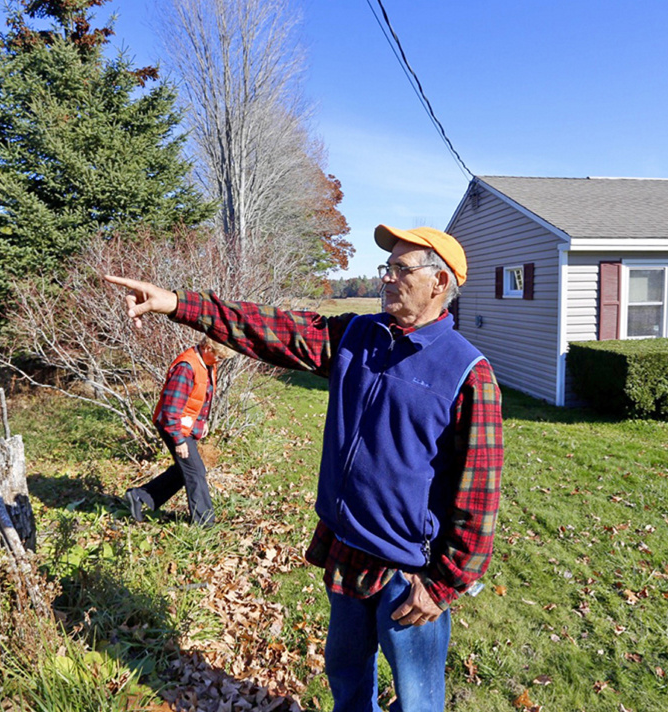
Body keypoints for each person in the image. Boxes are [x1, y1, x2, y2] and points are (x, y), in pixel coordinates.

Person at [105, 224, 502, 712]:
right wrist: (177, 304)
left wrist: (441, 586)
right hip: (348, 551)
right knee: (347, 683)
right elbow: (271, 328)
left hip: (409, 575)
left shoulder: (468, 373)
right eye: (388, 267)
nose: (388, 278)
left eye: (402, 268)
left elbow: (478, 498)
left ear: (439, 282)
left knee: (418, 703)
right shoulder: (358, 337)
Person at [126, 336, 233, 527]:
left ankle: (140, 496)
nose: (219, 361)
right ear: (207, 347)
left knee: (185, 469)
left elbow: (200, 398)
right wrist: (179, 440)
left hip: (185, 425)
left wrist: (202, 420)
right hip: (172, 425)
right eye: (219, 357)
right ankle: (205, 524)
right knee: (196, 472)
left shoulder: (207, 364)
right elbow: (170, 410)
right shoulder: (186, 368)